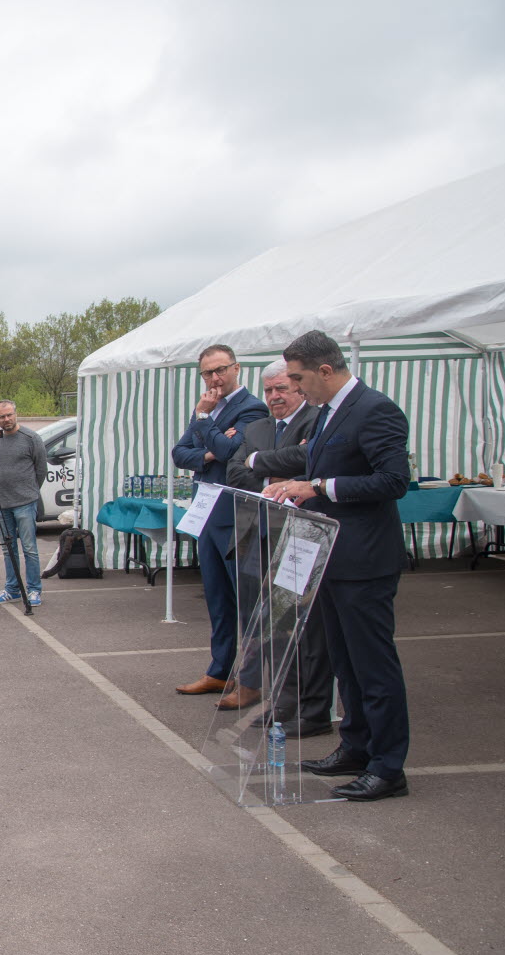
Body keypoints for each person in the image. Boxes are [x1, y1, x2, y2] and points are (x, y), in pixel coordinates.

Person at [264, 330, 412, 802]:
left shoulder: (376, 409)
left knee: (373, 667)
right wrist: (292, 483)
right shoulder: (327, 413)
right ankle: (356, 745)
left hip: (365, 560)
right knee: (345, 664)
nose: (296, 388)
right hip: (329, 555)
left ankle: (388, 767)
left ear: (326, 370)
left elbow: (393, 481)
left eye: (299, 378)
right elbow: (319, 461)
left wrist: (319, 487)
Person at [225, 360, 332, 734]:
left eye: (281, 389)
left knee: (304, 624)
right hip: (259, 533)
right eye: (268, 390)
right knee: (272, 624)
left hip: (302, 535)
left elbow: (308, 462)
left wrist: (259, 463)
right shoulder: (257, 427)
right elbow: (234, 470)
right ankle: (282, 698)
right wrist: (273, 478)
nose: (274, 397)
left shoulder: (317, 420)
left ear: (299, 388)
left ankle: (309, 704)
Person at [170, 345, 268, 699]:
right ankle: (219, 669)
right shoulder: (206, 410)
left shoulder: (251, 407)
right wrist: (210, 444)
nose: (214, 378)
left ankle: (251, 679)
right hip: (205, 508)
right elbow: (179, 453)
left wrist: (206, 426)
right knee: (216, 596)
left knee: (245, 598)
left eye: (220, 370)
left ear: (236, 368)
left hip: (234, 512)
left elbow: (232, 454)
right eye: (208, 373)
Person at [0, 400, 48, 608]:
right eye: (2, 417)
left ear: (15, 414)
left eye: (9, 415)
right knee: (7, 548)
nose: (6, 419)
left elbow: (41, 469)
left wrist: (31, 491)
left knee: (29, 548)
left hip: (25, 502)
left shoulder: (31, 438)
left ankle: (34, 590)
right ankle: (12, 589)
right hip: (2, 502)